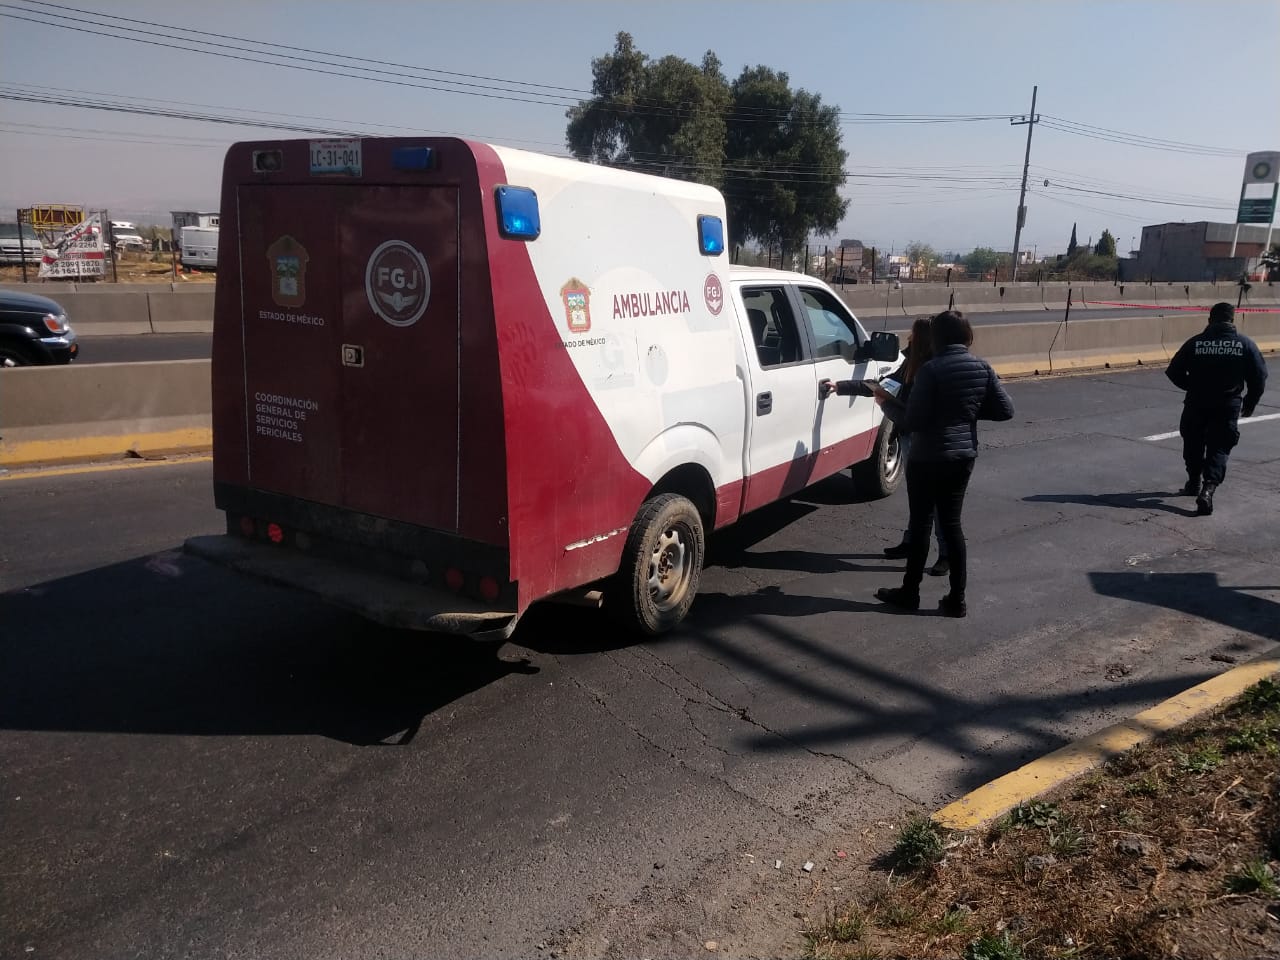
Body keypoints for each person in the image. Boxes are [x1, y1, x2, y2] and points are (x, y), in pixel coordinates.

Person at [870, 310, 1014, 618]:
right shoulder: (982, 367)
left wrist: (886, 403)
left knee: (921, 525)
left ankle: (910, 592)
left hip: (927, 457)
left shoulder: (931, 370)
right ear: (967, 335)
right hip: (962, 457)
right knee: (952, 526)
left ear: (936, 338)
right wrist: (966, 414)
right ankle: (956, 599)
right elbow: (1005, 410)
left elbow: (913, 420)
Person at [1164, 301, 1267, 515]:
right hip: (1227, 405)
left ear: (1210, 320)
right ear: (1232, 320)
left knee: (1193, 442)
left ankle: (1193, 481)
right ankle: (1208, 489)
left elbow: (1173, 371)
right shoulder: (1244, 344)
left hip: (1196, 403)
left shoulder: (1196, 343)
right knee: (1219, 447)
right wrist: (1250, 402)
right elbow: (1259, 377)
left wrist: (1192, 387)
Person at [876, 317, 949, 576]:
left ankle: (945, 554)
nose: (908, 338)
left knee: (937, 503)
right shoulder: (910, 362)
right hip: (909, 438)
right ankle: (911, 542)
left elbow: (910, 407)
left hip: (927, 442)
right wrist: (844, 387)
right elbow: (889, 387)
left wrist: (886, 403)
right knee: (917, 499)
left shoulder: (931, 368)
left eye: (912, 334)